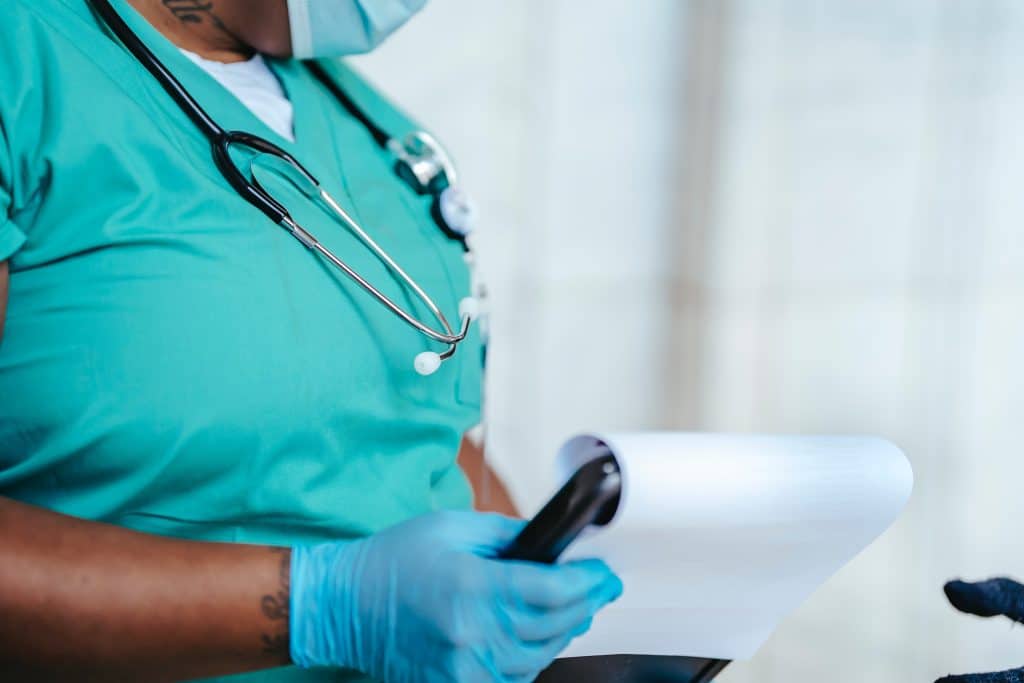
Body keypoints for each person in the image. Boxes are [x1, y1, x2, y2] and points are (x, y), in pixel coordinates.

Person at [0, 1, 623, 681]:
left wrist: (562, 631)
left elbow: (417, 432)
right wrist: (326, 604)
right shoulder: (26, 62)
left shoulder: (370, 125)